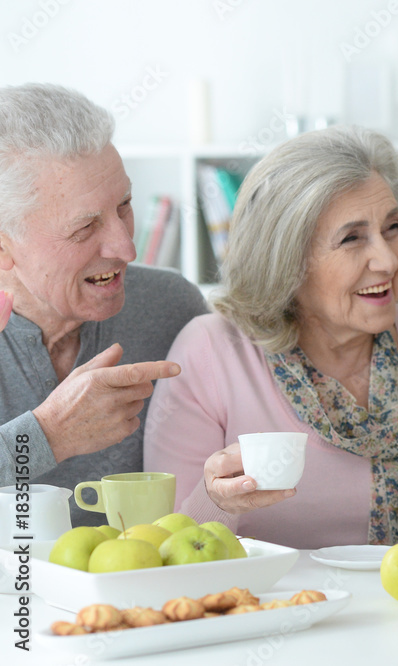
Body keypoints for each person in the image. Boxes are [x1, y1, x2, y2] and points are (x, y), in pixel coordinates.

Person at [144, 126, 398, 550]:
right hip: (261, 607)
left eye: (393, 227)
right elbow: (164, 549)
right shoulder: (211, 352)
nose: (386, 259)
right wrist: (219, 502)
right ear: (288, 261)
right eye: (351, 238)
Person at [0, 84, 207, 526]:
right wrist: (48, 436)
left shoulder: (173, 308)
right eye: (84, 228)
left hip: (138, 590)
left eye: (125, 205)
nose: (126, 248)